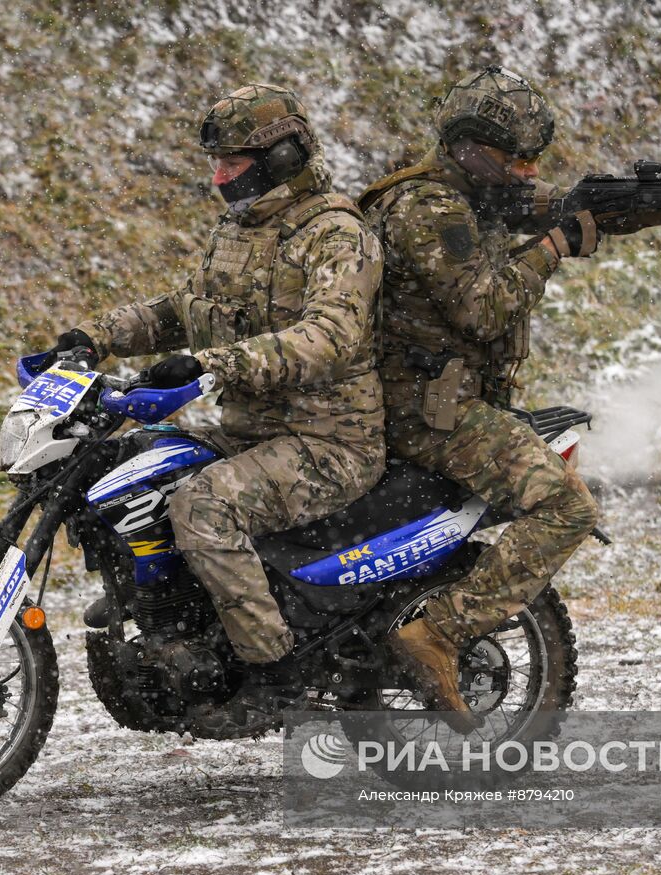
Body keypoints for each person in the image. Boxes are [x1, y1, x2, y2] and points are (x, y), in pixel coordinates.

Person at [52, 84, 385, 675]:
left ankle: (270, 667)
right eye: (216, 163)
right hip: (251, 432)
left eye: (232, 163)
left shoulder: (338, 234)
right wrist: (93, 338)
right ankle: (167, 623)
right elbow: (185, 309)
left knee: (203, 504)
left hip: (330, 442)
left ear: (281, 157)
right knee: (124, 470)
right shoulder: (239, 232)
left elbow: (331, 337)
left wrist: (210, 364)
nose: (219, 178)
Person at [356, 66, 604, 729]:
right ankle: (440, 630)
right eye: (513, 157)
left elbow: (536, 200)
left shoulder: (461, 192)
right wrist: (554, 247)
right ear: (469, 147)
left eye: (534, 159)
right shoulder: (429, 210)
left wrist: (609, 205)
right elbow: (485, 309)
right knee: (566, 505)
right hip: (428, 414)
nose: (525, 172)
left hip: (431, 401)